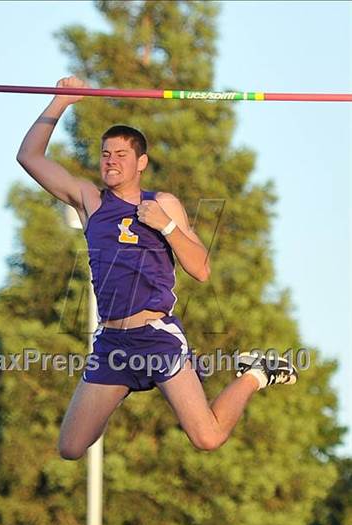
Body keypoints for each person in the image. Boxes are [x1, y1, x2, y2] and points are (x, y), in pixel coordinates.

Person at [17, 76, 298, 460]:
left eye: (120, 155)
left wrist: (164, 224)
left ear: (141, 163)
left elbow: (201, 269)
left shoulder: (163, 202)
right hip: (112, 344)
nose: (111, 161)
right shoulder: (90, 202)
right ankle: (120, 391)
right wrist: (61, 101)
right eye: (105, 154)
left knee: (207, 437)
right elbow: (29, 158)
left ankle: (256, 372)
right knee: (70, 447)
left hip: (155, 337)